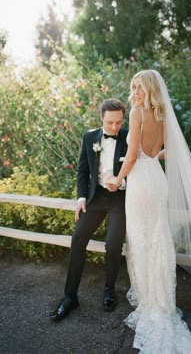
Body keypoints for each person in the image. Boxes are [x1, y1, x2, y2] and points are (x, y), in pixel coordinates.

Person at [107, 70, 191, 353]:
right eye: (133, 87)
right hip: (157, 179)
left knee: (143, 240)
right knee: (158, 239)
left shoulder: (138, 113)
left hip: (141, 182)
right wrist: (146, 156)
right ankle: (162, 302)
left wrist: (117, 180)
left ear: (150, 89)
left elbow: (130, 157)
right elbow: (161, 152)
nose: (136, 92)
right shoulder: (163, 115)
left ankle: (152, 302)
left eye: (140, 87)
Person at [49, 98, 128, 321]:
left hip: (119, 198)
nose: (114, 127)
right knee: (78, 239)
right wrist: (81, 198)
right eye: (110, 122)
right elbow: (83, 171)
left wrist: (122, 183)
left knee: (113, 245)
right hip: (95, 198)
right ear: (101, 118)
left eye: (119, 123)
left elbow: (138, 171)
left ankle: (109, 290)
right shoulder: (89, 136)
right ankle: (69, 296)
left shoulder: (129, 136)